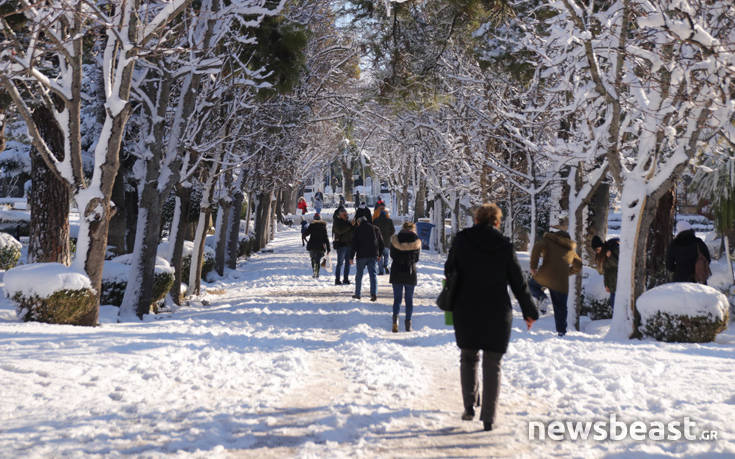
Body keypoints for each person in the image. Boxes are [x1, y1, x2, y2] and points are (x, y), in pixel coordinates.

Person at [444, 203, 538, 432]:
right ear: (497, 221)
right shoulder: (503, 245)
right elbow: (518, 280)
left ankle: (469, 406)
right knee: (492, 363)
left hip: (466, 308)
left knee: (468, 357)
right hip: (497, 310)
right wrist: (529, 311)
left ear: (476, 219)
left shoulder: (461, 240)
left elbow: (449, 270)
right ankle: (488, 417)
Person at [528, 222, 582, 337]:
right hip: (561, 282)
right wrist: (566, 273)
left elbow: (537, 247)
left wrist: (533, 266)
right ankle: (561, 332)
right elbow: (579, 265)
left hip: (545, 275)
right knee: (560, 307)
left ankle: (542, 297)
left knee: (531, 285)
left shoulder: (548, 241)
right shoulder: (571, 250)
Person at [389, 221, 421, 332]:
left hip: (396, 271)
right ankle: (408, 323)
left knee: (397, 299)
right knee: (409, 299)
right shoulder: (416, 241)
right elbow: (416, 258)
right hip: (410, 272)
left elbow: (392, 255)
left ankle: (395, 322)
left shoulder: (395, 239)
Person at [351, 216, 384, 301]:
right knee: (373, 275)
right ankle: (374, 294)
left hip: (361, 255)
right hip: (372, 255)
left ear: (359, 222)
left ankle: (358, 294)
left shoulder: (357, 229)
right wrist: (379, 254)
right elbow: (381, 243)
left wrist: (351, 257)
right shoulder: (375, 228)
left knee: (359, 275)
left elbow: (354, 245)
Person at [591, 235, 619, 308]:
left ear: (601, 246)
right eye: (595, 250)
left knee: (617, 307)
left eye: (597, 248)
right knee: (613, 306)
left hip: (619, 283)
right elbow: (605, 271)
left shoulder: (613, 249)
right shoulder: (602, 255)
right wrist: (606, 285)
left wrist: (611, 256)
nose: (597, 251)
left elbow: (620, 264)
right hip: (612, 285)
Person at [332, 207, 355, 285]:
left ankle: (346, 279)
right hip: (341, 245)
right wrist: (349, 225)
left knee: (348, 263)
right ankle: (337, 279)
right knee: (340, 263)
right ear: (340, 215)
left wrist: (353, 225)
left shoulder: (348, 222)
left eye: (346, 214)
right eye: (344, 214)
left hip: (349, 245)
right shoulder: (337, 222)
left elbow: (352, 232)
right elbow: (340, 231)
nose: (346, 215)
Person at [305, 214, 330, 278]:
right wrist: (328, 247)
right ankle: (316, 272)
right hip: (320, 246)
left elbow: (306, 233)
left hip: (312, 246)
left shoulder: (312, 225)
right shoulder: (323, 226)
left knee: (313, 259)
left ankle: (315, 272)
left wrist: (304, 231)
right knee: (317, 260)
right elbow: (326, 237)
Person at [374, 209, 395, 275]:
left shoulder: (376, 221)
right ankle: (385, 265)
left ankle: (381, 271)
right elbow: (393, 230)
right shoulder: (389, 221)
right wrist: (389, 235)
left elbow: (373, 230)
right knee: (386, 255)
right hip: (387, 241)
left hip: (378, 242)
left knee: (379, 256)